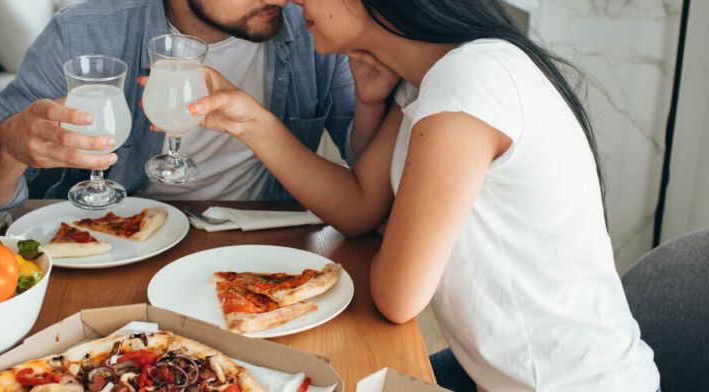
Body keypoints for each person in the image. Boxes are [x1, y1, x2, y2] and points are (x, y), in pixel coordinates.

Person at [177, 0, 661, 390]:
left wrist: (392, 223)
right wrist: (254, 123)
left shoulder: (470, 83)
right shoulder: (432, 78)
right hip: (494, 377)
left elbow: (398, 296)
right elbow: (359, 207)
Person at [0, 0, 390, 215]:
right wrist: (7, 147)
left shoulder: (313, 31)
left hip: (268, 250)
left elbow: (369, 184)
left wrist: (370, 106)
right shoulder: (83, 34)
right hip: (118, 244)